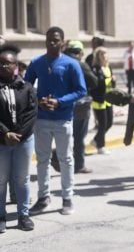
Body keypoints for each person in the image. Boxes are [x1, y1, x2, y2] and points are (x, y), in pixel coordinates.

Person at [25, 26, 87, 216]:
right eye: (49, 39)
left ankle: (67, 197)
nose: (52, 42)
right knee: (42, 160)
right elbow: (26, 88)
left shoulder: (71, 64)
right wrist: (39, 101)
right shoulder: (36, 62)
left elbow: (81, 90)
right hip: (41, 120)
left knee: (66, 159)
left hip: (63, 119)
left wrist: (59, 102)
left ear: (62, 42)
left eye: (56, 39)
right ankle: (43, 197)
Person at [0, 44, 37, 232]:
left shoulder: (27, 87)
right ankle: (1, 216)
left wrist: (19, 134)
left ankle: (24, 215)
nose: (4, 67)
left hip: (24, 140)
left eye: (9, 64)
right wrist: (5, 133)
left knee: (21, 179)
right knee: (1, 179)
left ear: (16, 66)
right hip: (1, 142)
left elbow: (32, 113)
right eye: (1, 63)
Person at [62, 40, 97, 173]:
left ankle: (63, 162)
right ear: (80, 52)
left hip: (62, 104)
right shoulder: (80, 64)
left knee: (63, 136)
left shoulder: (59, 62)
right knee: (79, 136)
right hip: (80, 105)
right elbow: (94, 81)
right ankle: (79, 165)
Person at [90, 47, 115, 155]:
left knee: (109, 122)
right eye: (102, 54)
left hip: (108, 99)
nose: (104, 56)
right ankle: (101, 146)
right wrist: (109, 79)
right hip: (99, 100)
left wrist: (113, 81)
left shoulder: (108, 67)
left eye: (105, 54)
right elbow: (97, 83)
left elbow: (111, 84)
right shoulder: (95, 69)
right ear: (98, 56)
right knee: (102, 124)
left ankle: (96, 140)